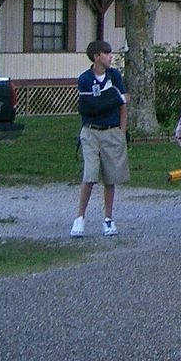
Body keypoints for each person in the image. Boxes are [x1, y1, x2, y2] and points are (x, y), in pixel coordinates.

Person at [71, 40, 129, 237]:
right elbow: (90, 106)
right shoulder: (85, 79)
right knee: (90, 174)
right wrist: (111, 98)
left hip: (112, 130)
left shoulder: (114, 75)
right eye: (107, 53)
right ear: (96, 56)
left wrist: (122, 130)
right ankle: (80, 217)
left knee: (110, 177)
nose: (110, 56)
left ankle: (108, 219)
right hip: (90, 131)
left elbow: (123, 103)